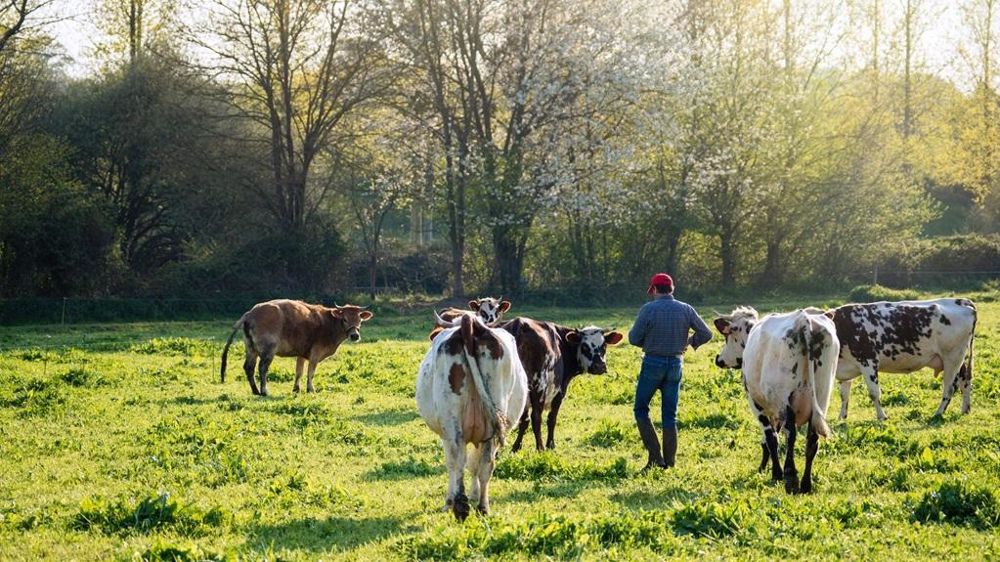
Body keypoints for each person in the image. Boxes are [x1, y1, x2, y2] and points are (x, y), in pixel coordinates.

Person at [628, 273, 713, 470]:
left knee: (641, 409)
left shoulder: (648, 309)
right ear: (672, 289)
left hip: (652, 363)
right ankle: (670, 463)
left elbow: (633, 338)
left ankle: (655, 457)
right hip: (676, 364)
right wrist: (690, 341)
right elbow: (706, 334)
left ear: (655, 289)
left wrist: (647, 342)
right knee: (670, 415)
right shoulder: (686, 309)